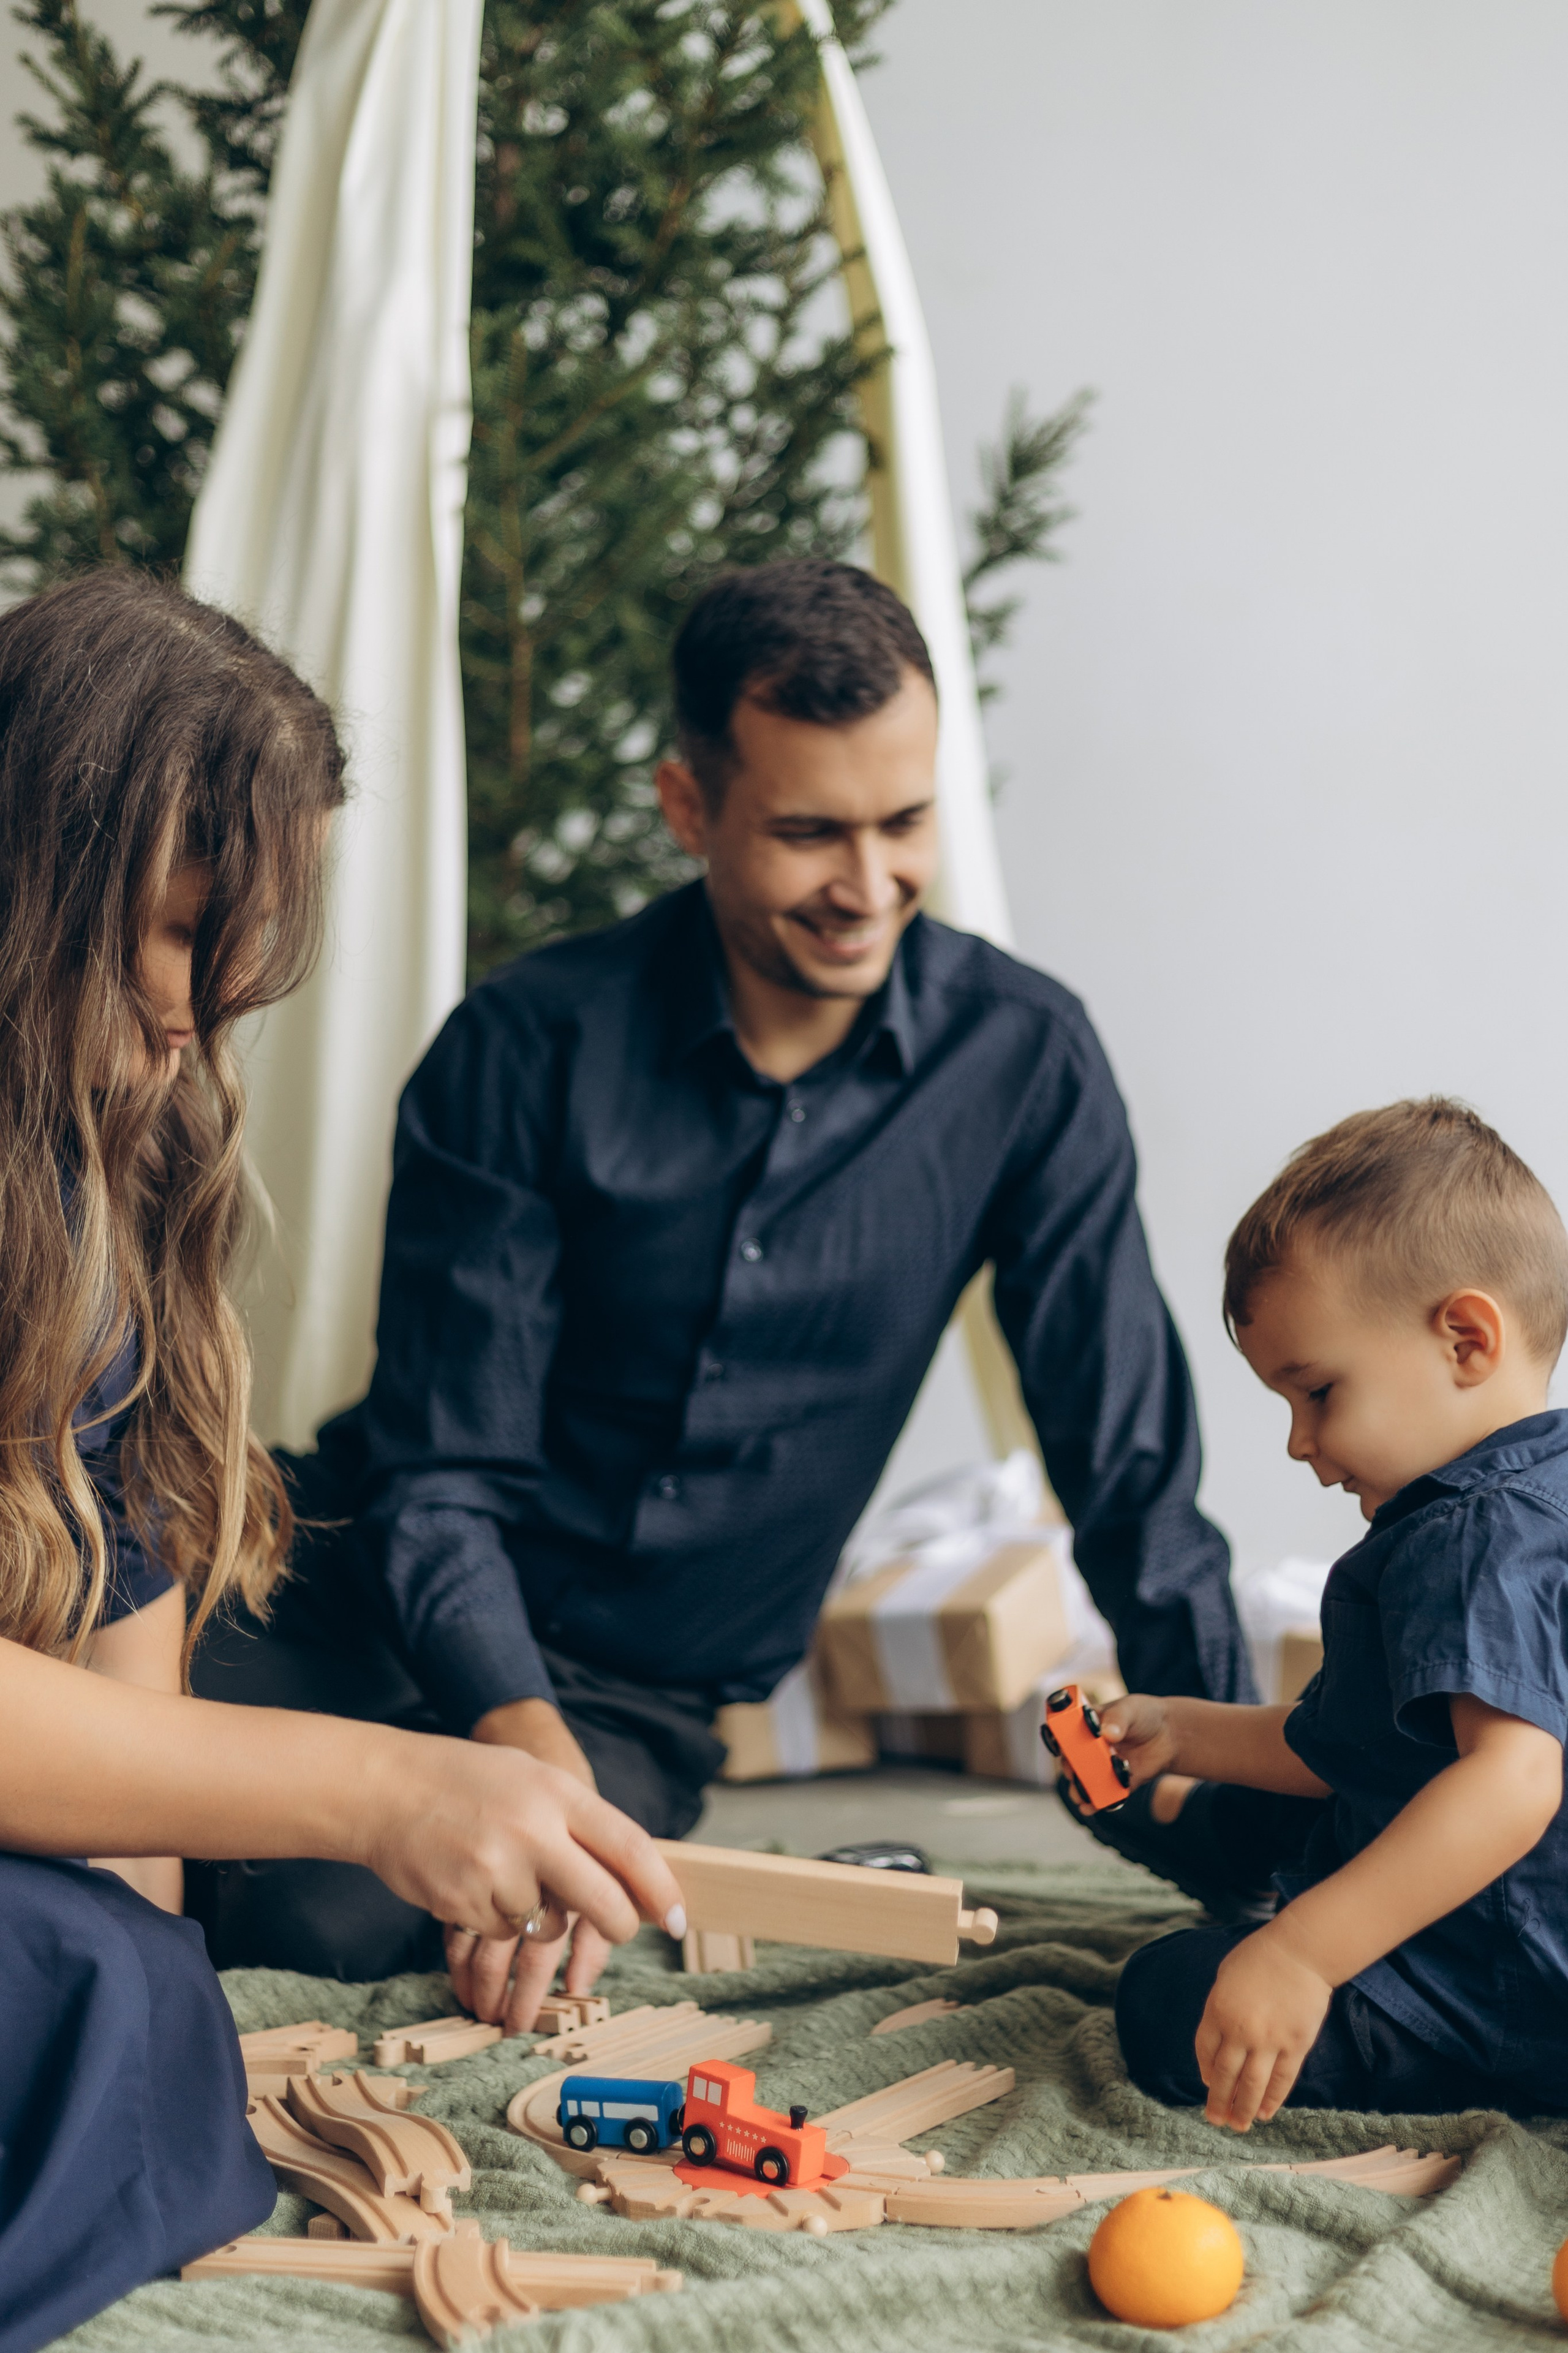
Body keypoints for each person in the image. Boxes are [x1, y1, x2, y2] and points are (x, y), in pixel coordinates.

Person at [194, 556, 1252, 2023]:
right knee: (84, 1719)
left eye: (905, 823)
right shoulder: (519, 1046)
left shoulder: (1023, 1064)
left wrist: (1235, 1788)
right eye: (810, 832)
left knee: (314, 1915)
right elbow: (440, 1478)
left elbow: (1128, 1464)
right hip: (348, 1579)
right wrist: (515, 1756)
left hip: (634, 1700)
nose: (867, 885)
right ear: (687, 807)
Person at [0, 572, 684, 2353]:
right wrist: (392, 1790)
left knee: (128, 1976)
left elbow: (120, 1755)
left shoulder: (98, 1204)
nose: (199, 1016)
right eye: (175, 935)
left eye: (240, 966)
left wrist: (155, 1989)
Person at [1111, 1098, 1568, 2128]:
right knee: (1311, 1815)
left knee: (1167, 1999)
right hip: (1501, 1933)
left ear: (1464, 1337)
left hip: (1499, 1992)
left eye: (1316, 1392)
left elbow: (1513, 1783)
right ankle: (1216, 1828)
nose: (1298, 1440)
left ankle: (1256, 1886)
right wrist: (1184, 1731)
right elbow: (1357, 1745)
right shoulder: (1529, 1499)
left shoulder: (1474, 1533)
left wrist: (1303, 1952)